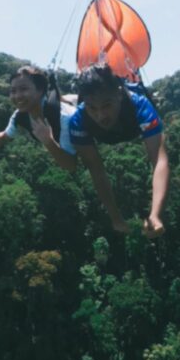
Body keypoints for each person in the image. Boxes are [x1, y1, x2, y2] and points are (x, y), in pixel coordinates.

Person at [69, 64, 169, 238]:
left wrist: (155, 214)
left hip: (132, 125)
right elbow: (96, 170)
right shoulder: (78, 120)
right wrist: (115, 218)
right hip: (103, 134)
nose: (100, 116)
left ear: (119, 94)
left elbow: (160, 160)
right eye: (92, 108)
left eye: (107, 106)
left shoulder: (140, 105)